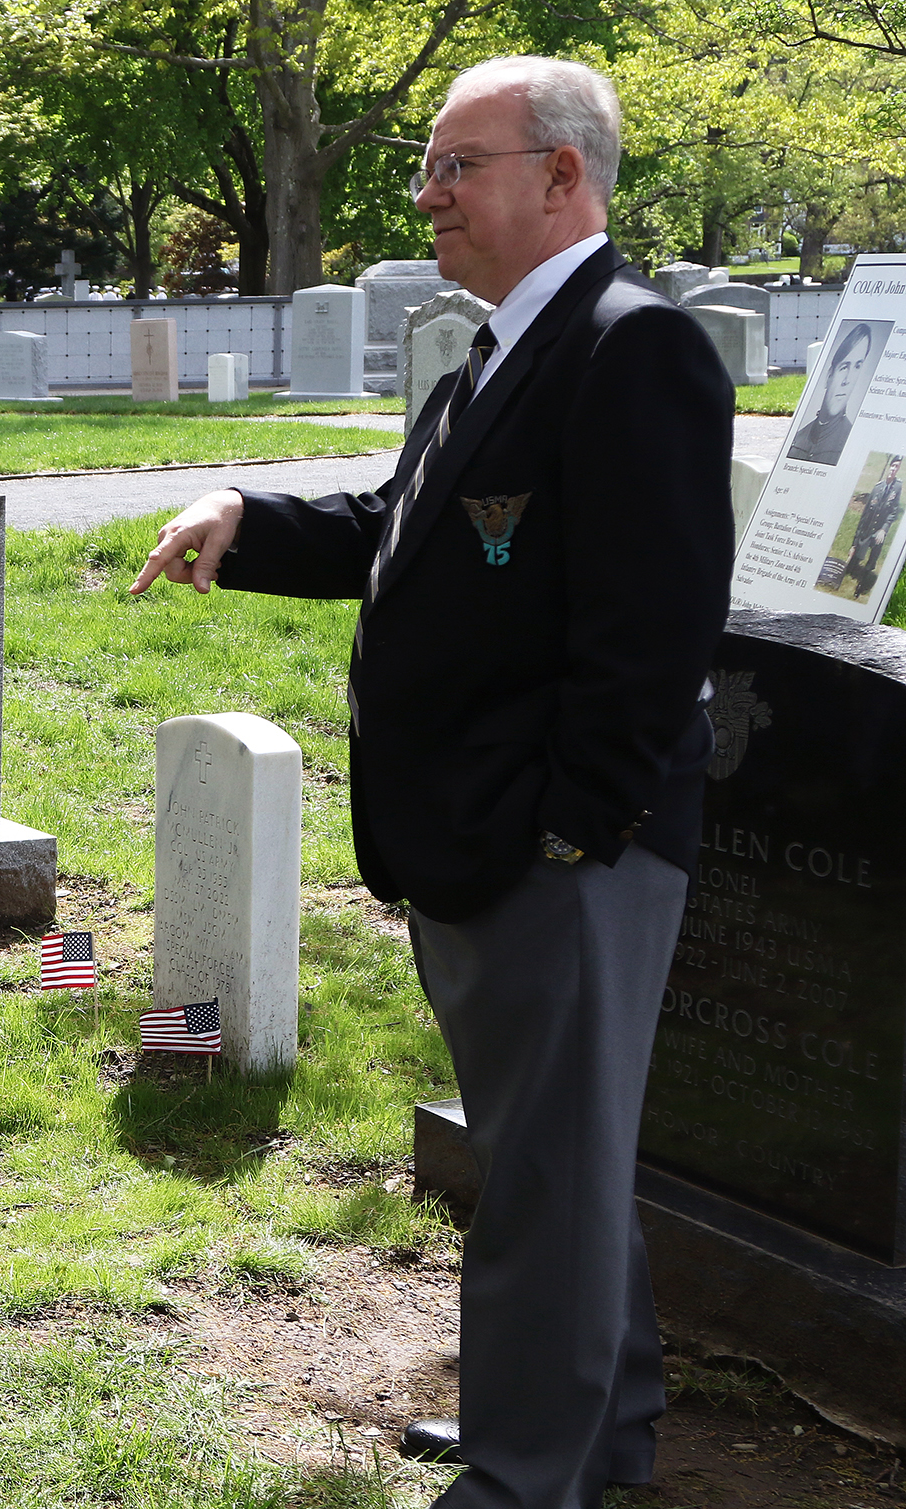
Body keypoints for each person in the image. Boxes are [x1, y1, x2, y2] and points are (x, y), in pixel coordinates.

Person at [131, 56, 730, 1509]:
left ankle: (530, 1472)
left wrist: (571, 834)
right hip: (485, 844)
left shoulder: (628, 346)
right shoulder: (501, 348)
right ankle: (602, 1428)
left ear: (563, 176)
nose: (428, 192)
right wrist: (242, 513)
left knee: (543, 1180)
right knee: (556, 1158)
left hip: (561, 854)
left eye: (459, 164)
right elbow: (396, 531)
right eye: (432, 164)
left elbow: (652, 631)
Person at [788, 320, 878, 466]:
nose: (847, 380)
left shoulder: (851, 441)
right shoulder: (800, 436)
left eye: (857, 366)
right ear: (829, 376)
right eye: (844, 367)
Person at [843, 455, 902, 597]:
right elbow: (865, 515)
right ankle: (850, 567)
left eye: (897, 467)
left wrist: (884, 529)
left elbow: (893, 511)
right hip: (868, 528)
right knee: (857, 556)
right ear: (889, 466)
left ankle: (862, 584)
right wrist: (855, 542)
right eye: (893, 466)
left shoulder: (897, 487)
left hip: (879, 530)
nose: (894, 469)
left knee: (874, 554)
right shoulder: (878, 487)